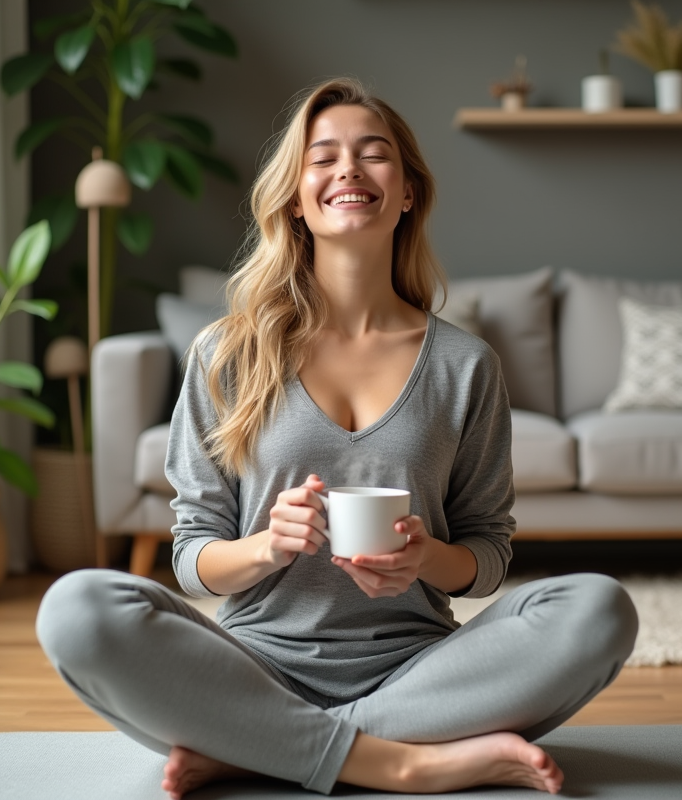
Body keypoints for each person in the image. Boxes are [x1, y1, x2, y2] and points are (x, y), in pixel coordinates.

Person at [36, 78, 638, 799]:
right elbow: (193, 558)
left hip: (419, 672)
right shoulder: (224, 355)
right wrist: (266, 546)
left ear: (409, 190)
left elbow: (486, 556)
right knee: (76, 609)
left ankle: (256, 745)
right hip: (253, 663)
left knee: (599, 609)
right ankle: (402, 763)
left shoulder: (465, 364)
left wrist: (421, 559)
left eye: (372, 154)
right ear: (295, 196)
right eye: (322, 158)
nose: (348, 170)